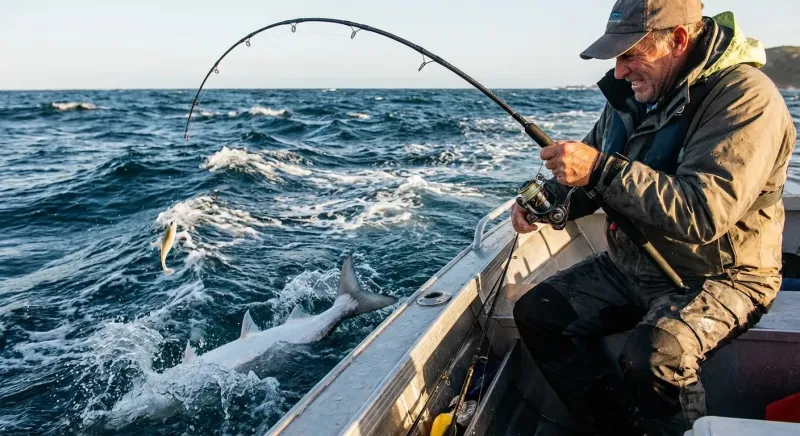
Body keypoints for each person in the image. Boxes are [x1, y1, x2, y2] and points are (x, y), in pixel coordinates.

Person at [511, 0, 797, 435]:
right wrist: (546, 198)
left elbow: (704, 213)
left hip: (725, 274)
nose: (619, 71)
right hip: (634, 263)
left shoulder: (747, 98)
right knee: (539, 313)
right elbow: (589, 176)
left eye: (630, 54)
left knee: (656, 355)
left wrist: (600, 169)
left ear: (678, 40)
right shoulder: (631, 95)